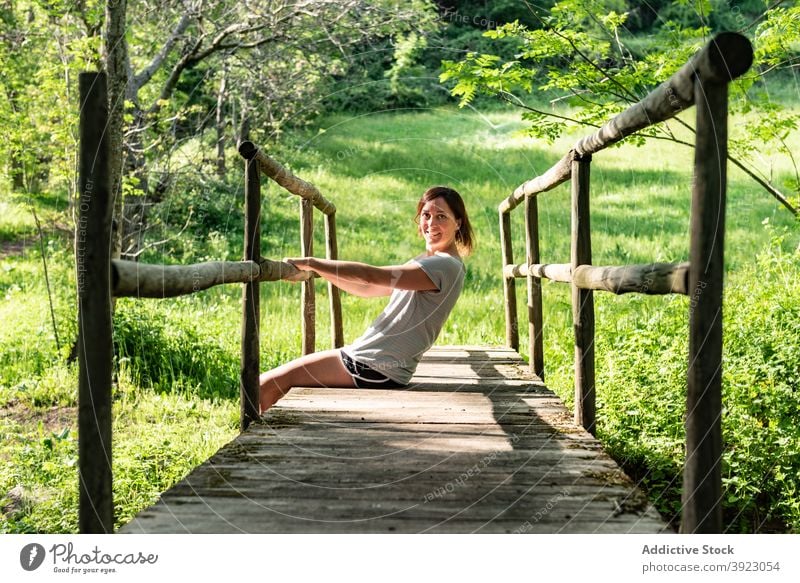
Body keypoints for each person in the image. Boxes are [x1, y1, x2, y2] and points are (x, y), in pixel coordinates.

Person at [259, 185, 474, 413]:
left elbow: (371, 276)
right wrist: (322, 273)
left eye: (441, 216)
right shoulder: (437, 264)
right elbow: (367, 289)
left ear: (458, 222)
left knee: (264, 385)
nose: (431, 224)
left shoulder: (443, 266)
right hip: (373, 363)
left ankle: (254, 443)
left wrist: (312, 263)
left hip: (372, 367)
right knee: (269, 384)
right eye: (426, 215)